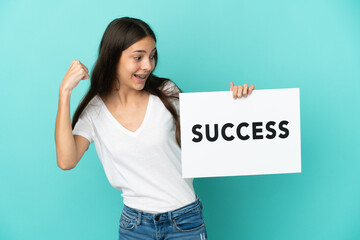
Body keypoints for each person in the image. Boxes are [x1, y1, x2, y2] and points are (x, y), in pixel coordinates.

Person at [55, 17, 254, 240]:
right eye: (138, 57)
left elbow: (214, 131)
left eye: (151, 56)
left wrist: (238, 104)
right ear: (113, 58)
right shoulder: (95, 111)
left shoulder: (167, 93)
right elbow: (66, 160)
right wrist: (65, 93)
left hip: (185, 221)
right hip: (135, 227)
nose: (148, 65)